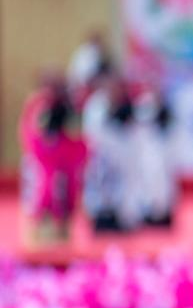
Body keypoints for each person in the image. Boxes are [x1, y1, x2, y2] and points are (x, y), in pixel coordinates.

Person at [19, 74, 88, 244]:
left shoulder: (66, 106)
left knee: (66, 191)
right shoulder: (38, 105)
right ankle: (39, 229)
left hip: (63, 159)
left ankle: (62, 228)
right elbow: (33, 133)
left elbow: (76, 134)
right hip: (43, 159)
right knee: (44, 189)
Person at [81, 75, 146, 233]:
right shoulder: (96, 105)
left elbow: (132, 130)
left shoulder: (124, 103)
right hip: (102, 155)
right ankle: (100, 215)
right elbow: (95, 131)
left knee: (124, 187)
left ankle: (123, 216)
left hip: (120, 155)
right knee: (101, 187)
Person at [134, 86, 181, 227]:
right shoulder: (143, 107)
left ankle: (164, 212)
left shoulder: (168, 110)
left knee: (164, 183)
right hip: (146, 153)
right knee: (148, 181)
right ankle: (149, 212)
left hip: (164, 154)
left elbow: (175, 132)